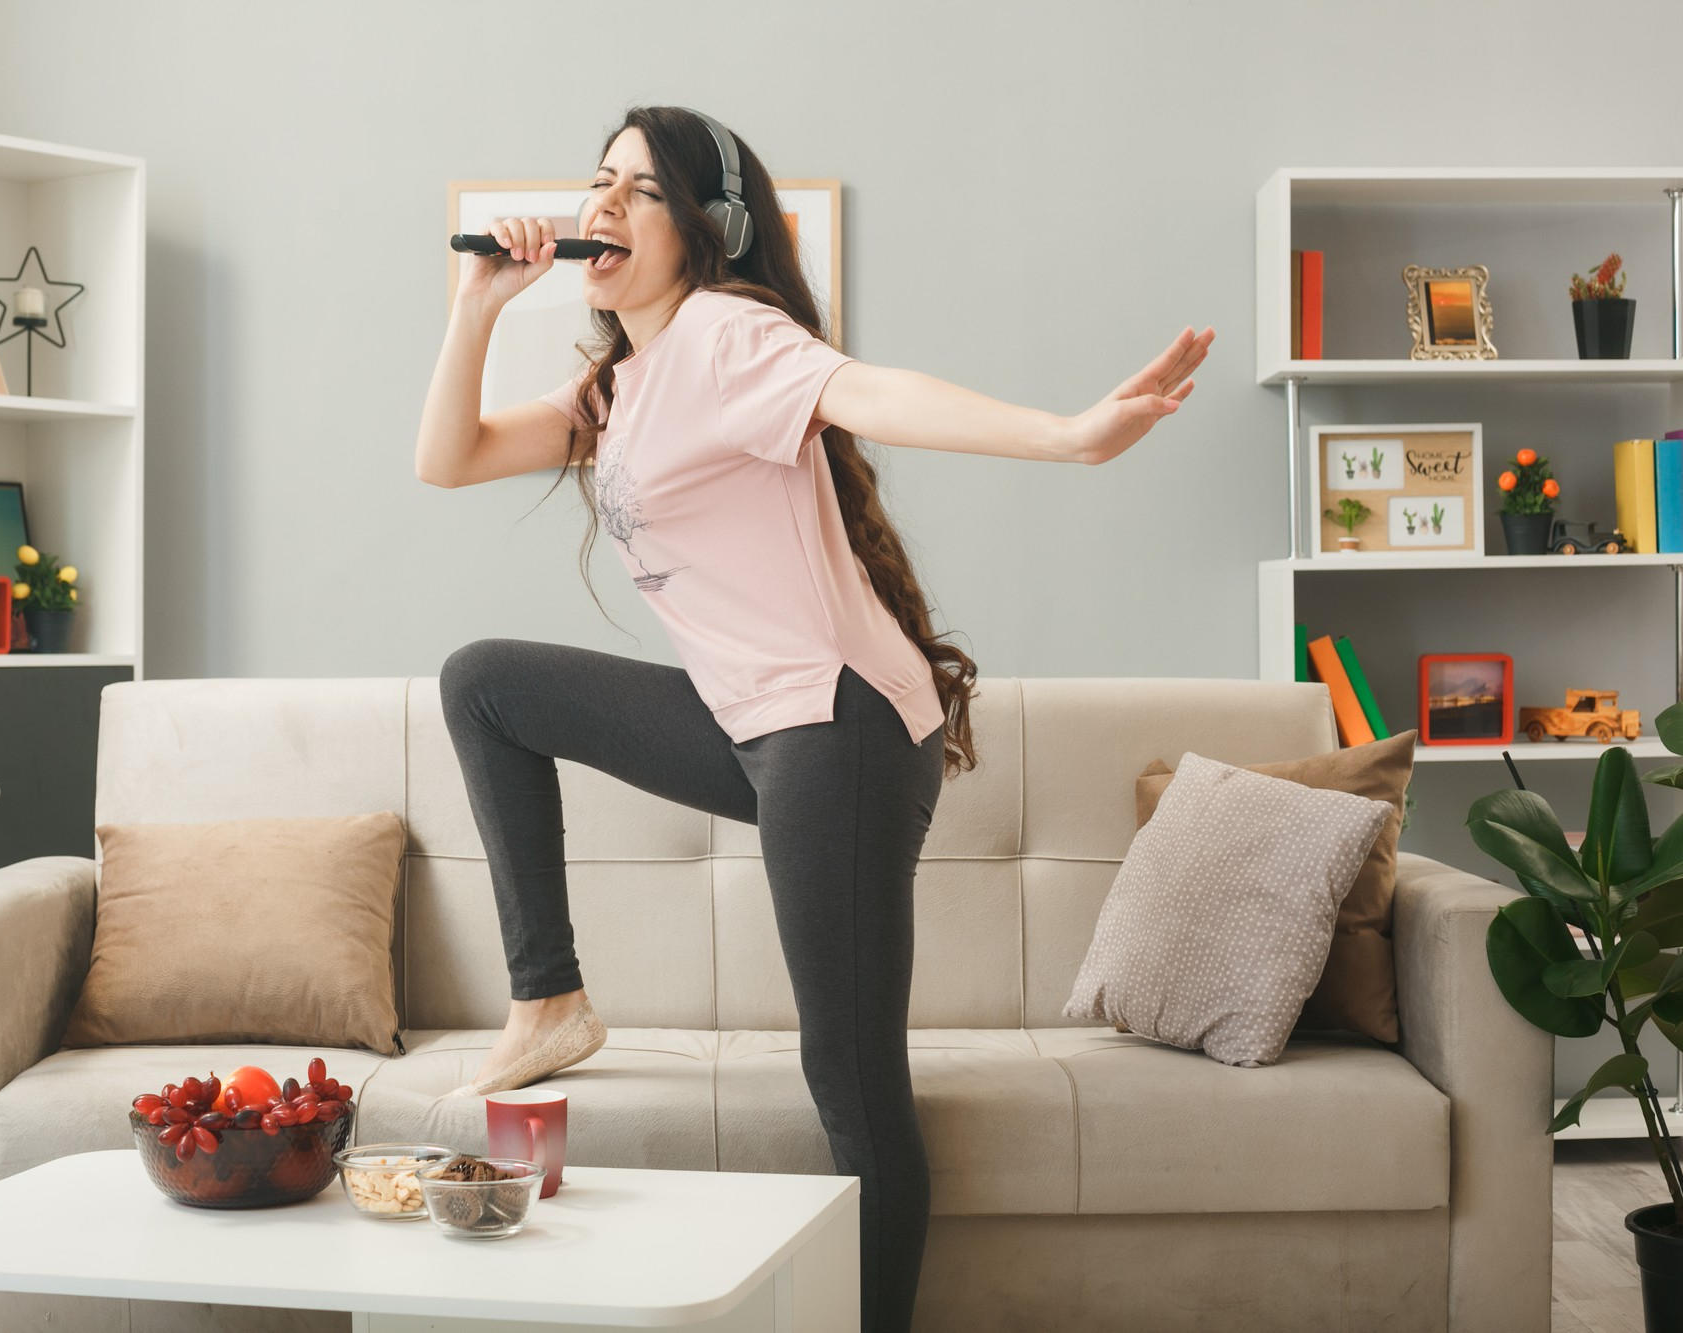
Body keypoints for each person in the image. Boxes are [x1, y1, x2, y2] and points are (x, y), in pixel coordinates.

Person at [414, 104, 1212, 1333]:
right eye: (599, 184)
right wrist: (477, 305)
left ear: (708, 229)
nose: (606, 207)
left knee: (845, 1075)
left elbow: (869, 390)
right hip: (757, 725)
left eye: (643, 190)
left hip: (835, 729)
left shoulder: (728, 333)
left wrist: (1065, 437)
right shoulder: (614, 386)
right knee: (484, 680)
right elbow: (447, 457)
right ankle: (550, 1001)